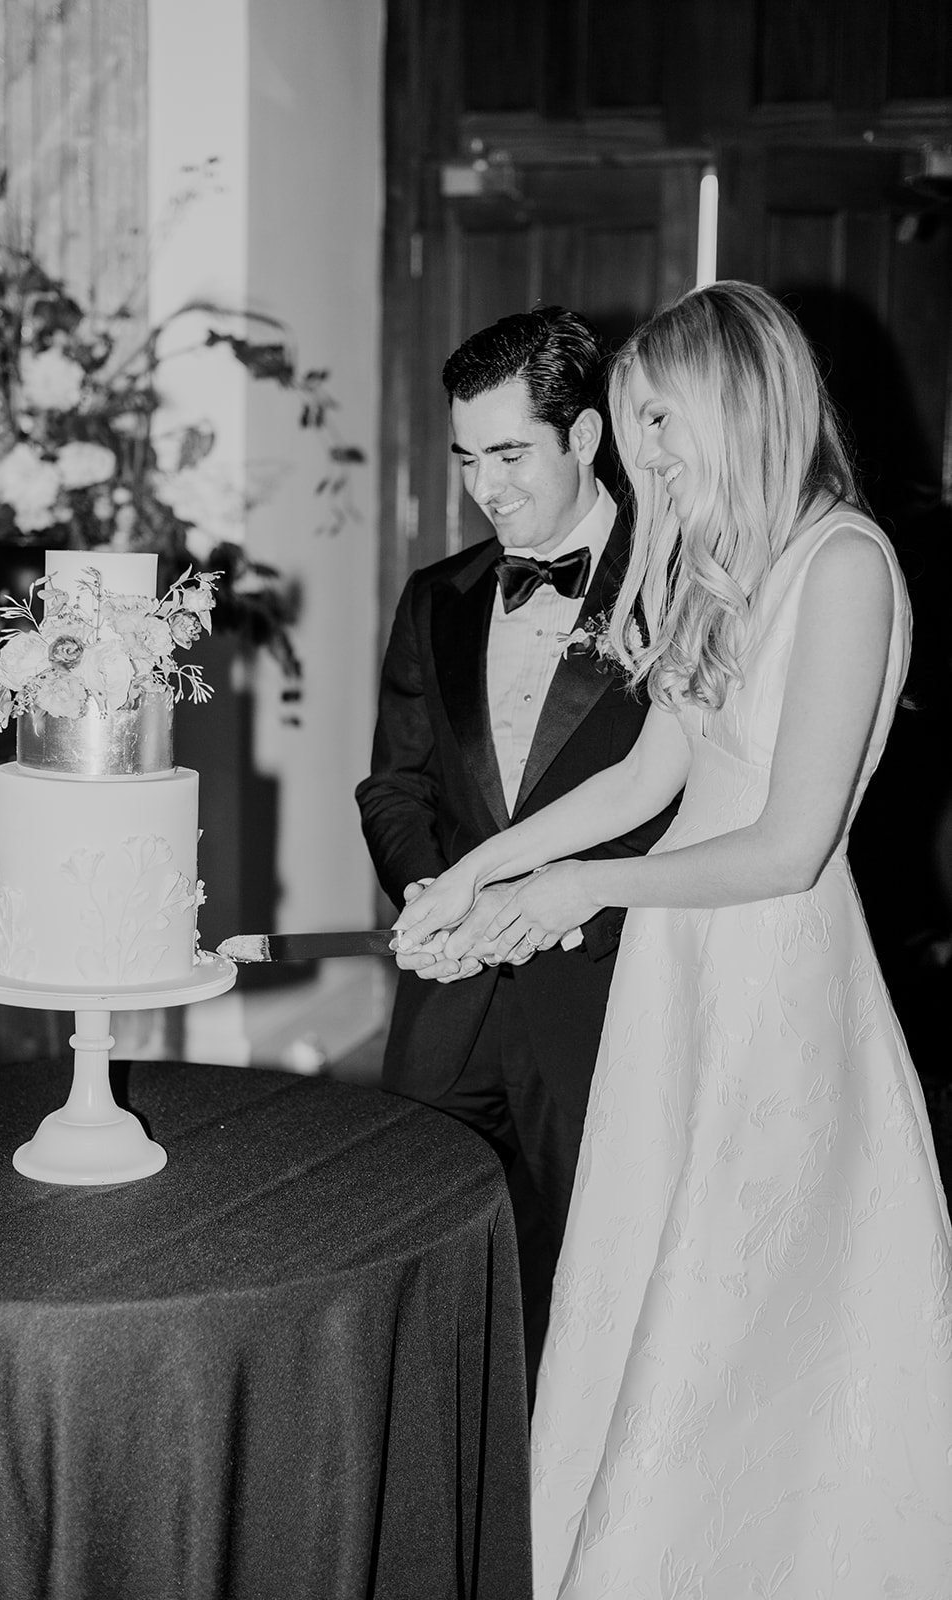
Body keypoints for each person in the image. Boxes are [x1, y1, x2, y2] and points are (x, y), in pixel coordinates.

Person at [393, 281, 952, 1596]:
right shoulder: (720, 566)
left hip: (774, 968)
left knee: (739, 1281)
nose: (642, 465)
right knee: (645, 1260)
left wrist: (581, 892)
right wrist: (481, 871)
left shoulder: (844, 564)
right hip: (677, 961)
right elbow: (648, 782)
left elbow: (784, 844)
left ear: (736, 407)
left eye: (657, 432)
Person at [355, 306, 677, 1402]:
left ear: (583, 437)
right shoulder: (433, 598)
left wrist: (563, 901)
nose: (483, 488)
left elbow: (685, 802)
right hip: (448, 1009)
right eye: (464, 459)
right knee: (422, 1271)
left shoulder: (676, 580)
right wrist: (424, 894)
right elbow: (393, 785)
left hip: (605, 994)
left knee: (593, 1286)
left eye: (508, 454)